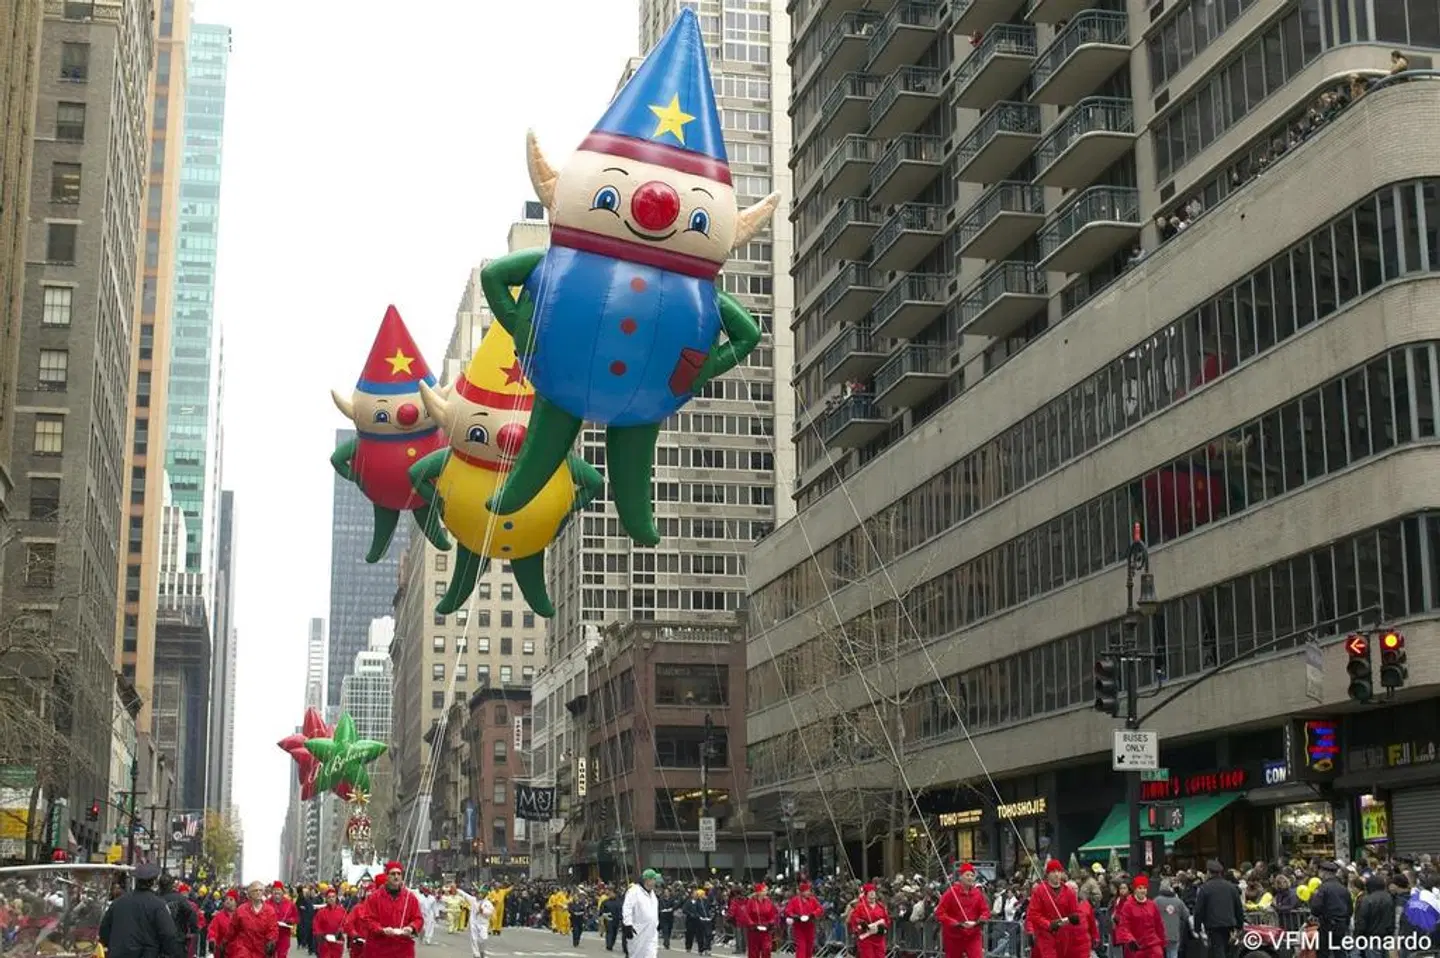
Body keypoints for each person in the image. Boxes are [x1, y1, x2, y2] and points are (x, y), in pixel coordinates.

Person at [99, 862, 184, 958]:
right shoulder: (158, 905)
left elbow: (104, 930)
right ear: (154, 882)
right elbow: (169, 934)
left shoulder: (117, 903)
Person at [353, 861, 423, 958]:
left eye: (399, 873)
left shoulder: (410, 898)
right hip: (379, 949)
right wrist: (381, 929)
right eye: (393, 873)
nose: (396, 876)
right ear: (387, 876)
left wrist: (411, 927)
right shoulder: (374, 897)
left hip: (402, 949)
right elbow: (367, 919)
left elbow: (418, 918)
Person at [1027, 860, 1081, 958]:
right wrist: (1049, 924)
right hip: (1045, 935)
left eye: (1059, 871)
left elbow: (1076, 912)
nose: (1057, 874)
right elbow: (1033, 914)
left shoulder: (1069, 892)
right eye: (1053, 871)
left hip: (1065, 936)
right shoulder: (1039, 891)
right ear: (1048, 874)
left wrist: (1075, 918)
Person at [936, 863, 992, 958]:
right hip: (954, 936)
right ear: (960, 877)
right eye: (967, 875)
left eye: (972, 875)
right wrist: (956, 923)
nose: (970, 878)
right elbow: (940, 913)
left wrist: (981, 919)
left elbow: (985, 910)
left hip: (973, 934)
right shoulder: (951, 893)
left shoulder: (978, 894)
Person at [1193, 860, 1245, 958]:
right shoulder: (1231, 887)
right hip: (1229, 925)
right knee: (1226, 950)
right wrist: (1239, 926)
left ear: (1208, 872)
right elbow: (1238, 908)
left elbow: (1199, 910)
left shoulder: (1204, 888)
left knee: (1217, 950)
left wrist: (1197, 928)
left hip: (1213, 925)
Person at [1114, 876, 1166, 958]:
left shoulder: (1152, 905)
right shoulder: (1128, 905)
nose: (1143, 891)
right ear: (1135, 889)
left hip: (1152, 944)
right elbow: (1124, 926)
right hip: (1136, 946)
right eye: (1140, 888)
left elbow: (1158, 925)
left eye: (1145, 888)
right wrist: (1129, 939)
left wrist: (1163, 943)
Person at [622, 869, 662, 958]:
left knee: (651, 954)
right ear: (647, 880)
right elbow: (627, 908)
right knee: (636, 955)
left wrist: (657, 922)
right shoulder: (634, 891)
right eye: (654, 879)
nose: (655, 882)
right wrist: (628, 924)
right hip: (638, 931)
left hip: (651, 932)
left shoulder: (653, 894)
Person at [159, 873, 199, 958]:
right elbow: (191, 913)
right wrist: (193, 930)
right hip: (178, 939)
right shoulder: (180, 898)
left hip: (159, 941)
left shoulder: (155, 898)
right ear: (171, 885)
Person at [848, 884, 889, 958]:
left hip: (879, 938)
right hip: (866, 938)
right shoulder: (860, 907)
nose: (872, 893)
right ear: (866, 894)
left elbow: (886, 920)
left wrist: (883, 928)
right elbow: (854, 919)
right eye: (870, 892)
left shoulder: (881, 906)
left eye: (873, 891)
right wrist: (861, 925)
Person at [783, 882, 823, 958]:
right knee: (801, 946)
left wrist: (813, 914)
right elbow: (788, 911)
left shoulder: (812, 900)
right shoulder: (795, 900)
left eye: (809, 890)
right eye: (806, 891)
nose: (808, 892)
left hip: (810, 925)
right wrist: (795, 916)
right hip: (799, 927)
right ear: (801, 892)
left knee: (809, 947)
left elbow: (820, 909)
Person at [456, 885, 495, 958]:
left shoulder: (488, 903)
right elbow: (465, 895)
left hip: (483, 924)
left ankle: (481, 951)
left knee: (484, 938)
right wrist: (457, 889)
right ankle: (476, 954)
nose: (479, 895)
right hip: (474, 923)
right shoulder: (473, 900)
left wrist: (483, 911)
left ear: (484, 894)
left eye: (481, 893)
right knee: (474, 939)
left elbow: (490, 912)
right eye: (478, 893)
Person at [739, 884, 778, 958]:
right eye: (764, 890)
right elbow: (746, 914)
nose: (766, 892)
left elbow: (773, 914)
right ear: (759, 892)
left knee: (766, 949)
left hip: (766, 929)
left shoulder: (768, 901)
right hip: (754, 930)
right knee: (754, 951)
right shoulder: (751, 901)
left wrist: (770, 923)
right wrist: (752, 924)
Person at [311, 888, 346, 958]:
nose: (331, 899)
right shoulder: (321, 912)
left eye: (333, 897)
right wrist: (320, 935)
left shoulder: (342, 911)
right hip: (325, 943)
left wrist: (342, 930)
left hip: (337, 942)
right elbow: (316, 925)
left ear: (336, 897)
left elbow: (346, 924)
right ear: (326, 899)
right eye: (329, 897)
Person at [269, 885, 298, 958]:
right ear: (272, 892)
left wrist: (291, 920)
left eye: (279, 890)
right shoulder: (266, 903)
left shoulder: (290, 903)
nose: (277, 893)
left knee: (282, 955)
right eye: (275, 891)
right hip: (270, 934)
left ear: (282, 892)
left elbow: (296, 917)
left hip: (284, 934)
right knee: (269, 954)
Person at [208, 892, 239, 958]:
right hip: (222, 951)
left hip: (237, 951)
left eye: (231, 899)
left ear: (236, 902)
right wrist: (212, 939)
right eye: (226, 899)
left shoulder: (240, 915)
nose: (228, 901)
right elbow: (212, 930)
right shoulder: (219, 916)